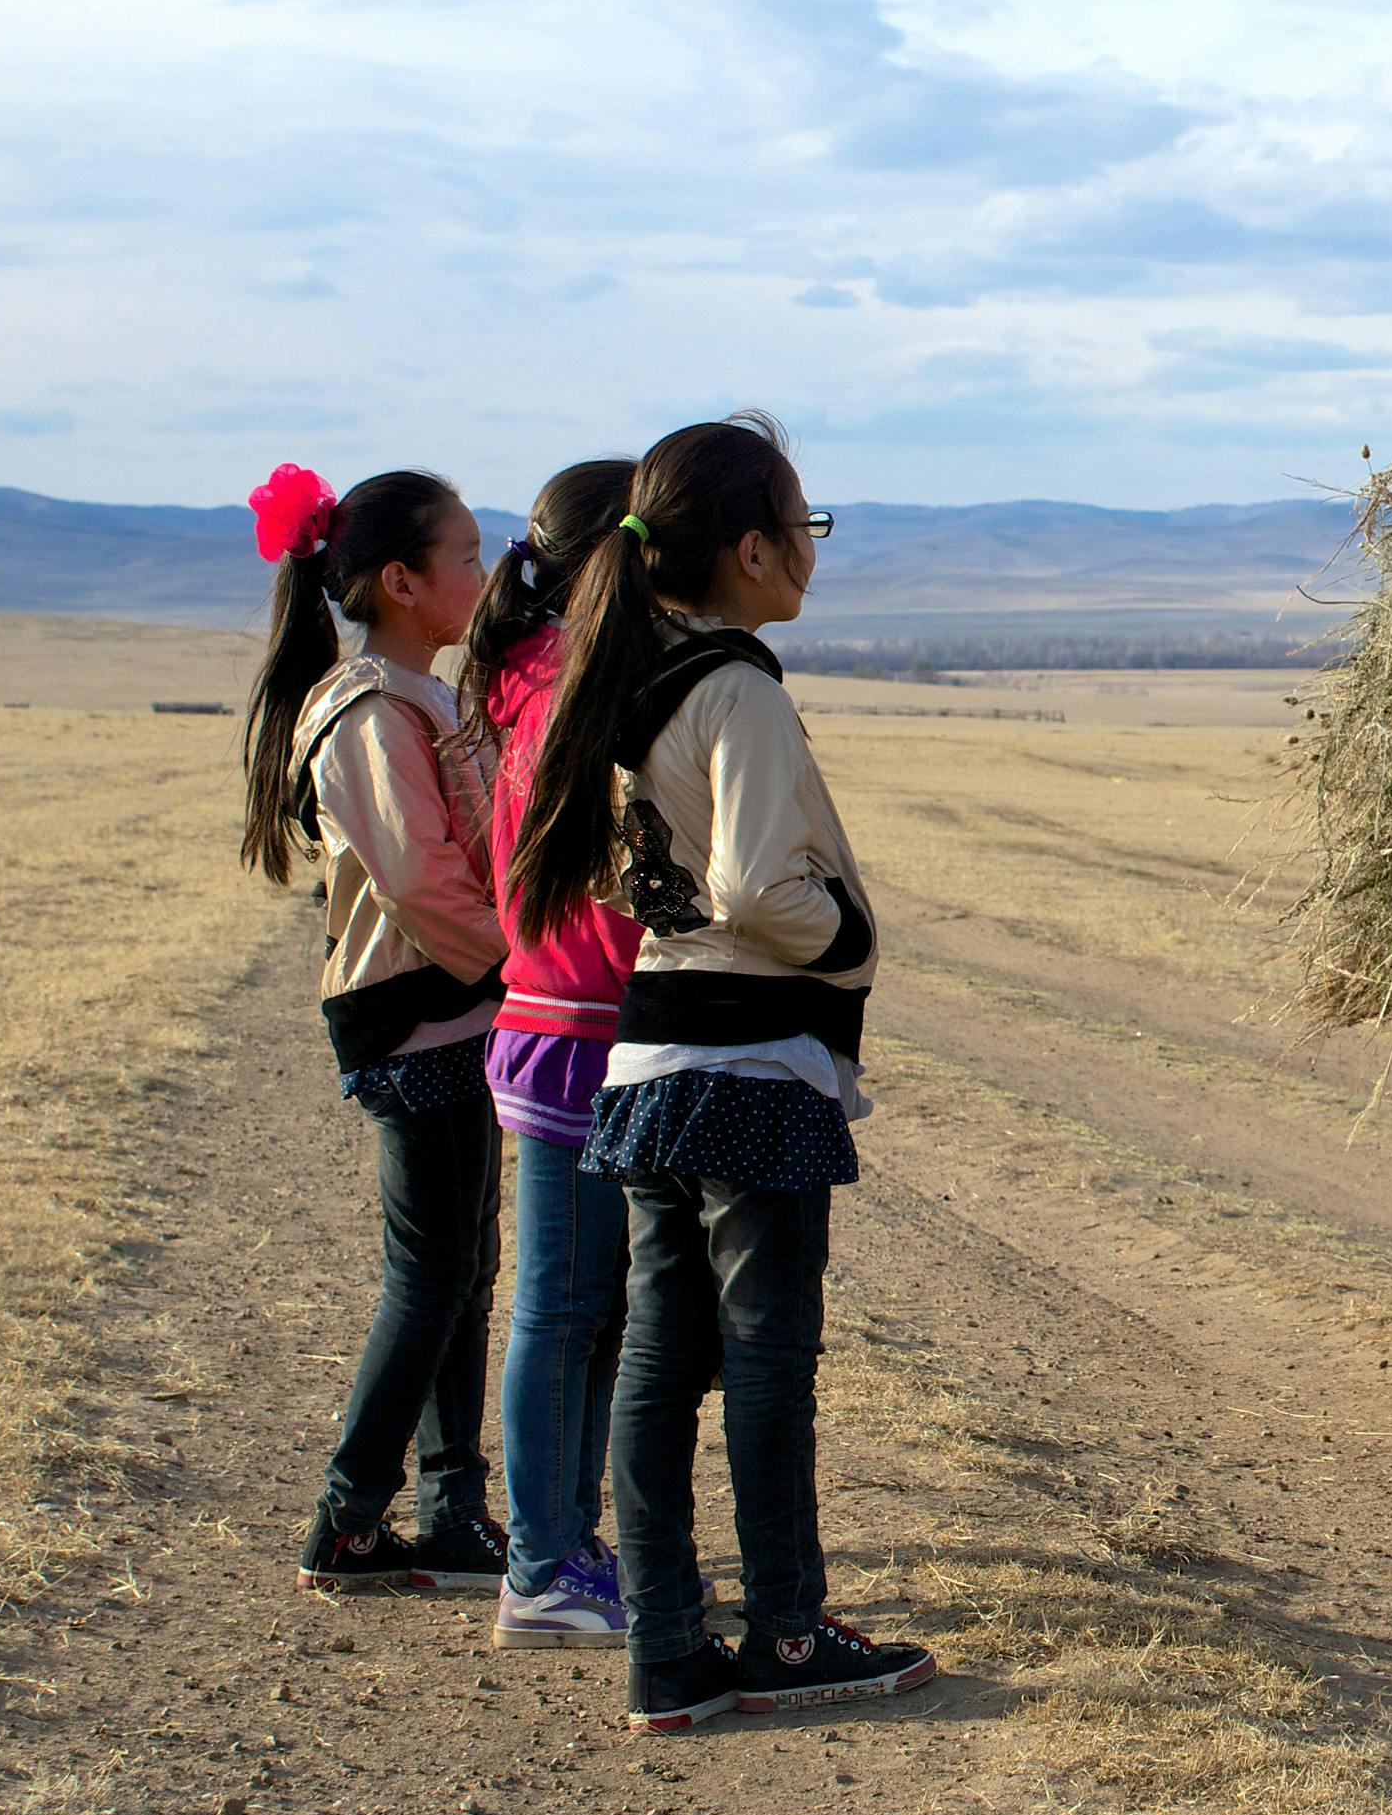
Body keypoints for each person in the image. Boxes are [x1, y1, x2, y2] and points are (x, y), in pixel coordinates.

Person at [506, 414, 933, 1734]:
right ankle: (790, 1634)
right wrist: (844, 929)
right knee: (765, 1364)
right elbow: (755, 883)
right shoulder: (738, 687)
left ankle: (672, 1650)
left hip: (650, 1059)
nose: (811, 553)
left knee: (657, 1361)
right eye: (804, 526)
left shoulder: (631, 684)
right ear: (751, 549)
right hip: (750, 1067)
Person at [238, 462, 512, 1594]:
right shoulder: (367, 712)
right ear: (400, 582)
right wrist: (516, 961)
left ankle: (452, 1512)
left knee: (462, 1268)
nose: (482, 576)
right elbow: (422, 880)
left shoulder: (416, 696)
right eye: (465, 556)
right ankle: (348, 1520)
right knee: (432, 1272)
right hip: (421, 1017)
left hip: (451, 1013)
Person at [456, 460, 643, 1648]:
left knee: (588, 1308)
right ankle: (541, 1564)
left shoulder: (526, 672)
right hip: (580, 1030)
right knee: (564, 1306)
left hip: (559, 1022)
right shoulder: (585, 680)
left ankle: (566, 1541)